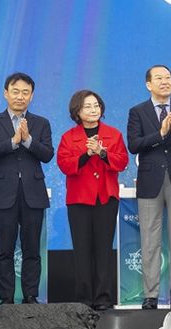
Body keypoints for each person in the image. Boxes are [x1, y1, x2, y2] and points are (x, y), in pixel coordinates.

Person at [126, 65, 171, 310]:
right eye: (159, 78)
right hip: (150, 182)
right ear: (149, 84)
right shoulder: (137, 111)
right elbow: (134, 145)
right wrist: (161, 133)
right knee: (150, 240)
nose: (165, 81)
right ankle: (151, 295)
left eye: (168, 77)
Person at [0, 73, 54, 305]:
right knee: (4, 250)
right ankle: (6, 299)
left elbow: (47, 154)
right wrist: (13, 141)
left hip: (33, 193)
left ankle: (31, 296)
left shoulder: (41, 123)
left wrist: (28, 140)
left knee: (32, 249)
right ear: (6, 93)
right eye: (15, 91)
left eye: (25, 92)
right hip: (2, 194)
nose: (20, 97)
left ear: (31, 96)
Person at [57, 90, 128, 311]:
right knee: (82, 250)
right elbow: (64, 165)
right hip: (79, 199)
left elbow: (122, 161)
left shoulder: (113, 134)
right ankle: (84, 299)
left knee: (103, 249)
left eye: (96, 105)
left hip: (106, 198)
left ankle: (103, 298)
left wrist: (102, 153)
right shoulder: (69, 137)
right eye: (87, 106)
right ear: (77, 111)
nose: (93, 110)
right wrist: (87, 154)